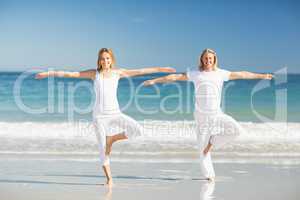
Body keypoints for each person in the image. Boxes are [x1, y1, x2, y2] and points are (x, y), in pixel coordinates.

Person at [35, 48, 176, 187]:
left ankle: (112, 138)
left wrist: (162, 68)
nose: (105, 61)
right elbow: (71, 74)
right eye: (102, 58)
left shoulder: (118, 73)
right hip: (99, 117)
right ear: (99, 60)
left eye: (107, 58)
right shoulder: (94, 74)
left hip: (115, 113)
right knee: (103, 150)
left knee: (137, 130)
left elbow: (141, 71)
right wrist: (48, 73)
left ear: (111, 60)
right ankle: (109, 179)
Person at [143, 48, 273, 181]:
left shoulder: (221, 73)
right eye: (205, 58)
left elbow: (243, 74)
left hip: (216, 113)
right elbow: (175, 77)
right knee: (203, 149)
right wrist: (154, 81)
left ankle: (213, 141)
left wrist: (262, 76)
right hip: (201, 116)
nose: (208, 60)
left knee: (236, 130)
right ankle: (209, 176)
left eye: (210, 58)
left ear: (214, 59)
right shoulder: (195, 73)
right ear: (202, 59)